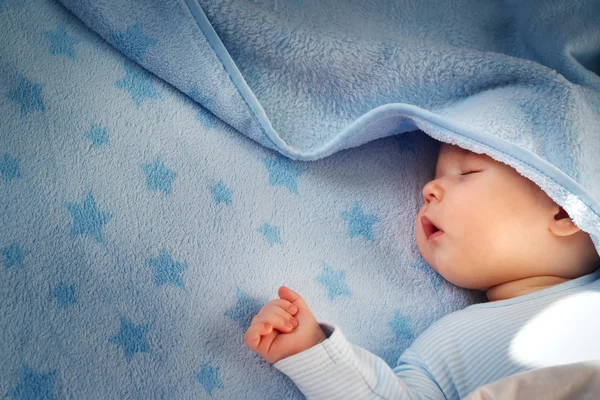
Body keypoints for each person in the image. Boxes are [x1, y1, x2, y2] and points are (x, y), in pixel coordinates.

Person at [244, 142, 600, 399]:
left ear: (565, 211)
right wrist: (312, 351)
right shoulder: (449, 343)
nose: (428, 190)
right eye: (433, 178)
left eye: (468, 172)